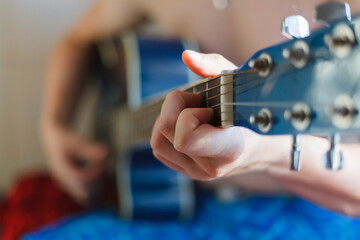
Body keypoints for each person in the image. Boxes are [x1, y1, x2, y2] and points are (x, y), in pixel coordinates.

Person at [42, 0, 360, 215]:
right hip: (173, 206)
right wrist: (53, 125)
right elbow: (77, 41)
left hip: (303, 209)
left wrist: (267, 153)